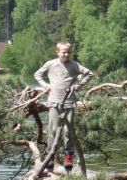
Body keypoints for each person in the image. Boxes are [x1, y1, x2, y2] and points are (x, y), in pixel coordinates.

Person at [34, 41, 93, 172]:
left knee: (68, 130)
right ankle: (51, 155)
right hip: (54, 102)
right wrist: (45, 86)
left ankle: (68, 155)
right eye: (63, 52)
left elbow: (89, 74)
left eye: (68, 52)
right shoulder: (51, 64)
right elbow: (37, 75)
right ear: (57, 52)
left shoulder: (74, 65)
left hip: (69, 103)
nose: (66, 54)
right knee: (53, 130)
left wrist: (78, 86)